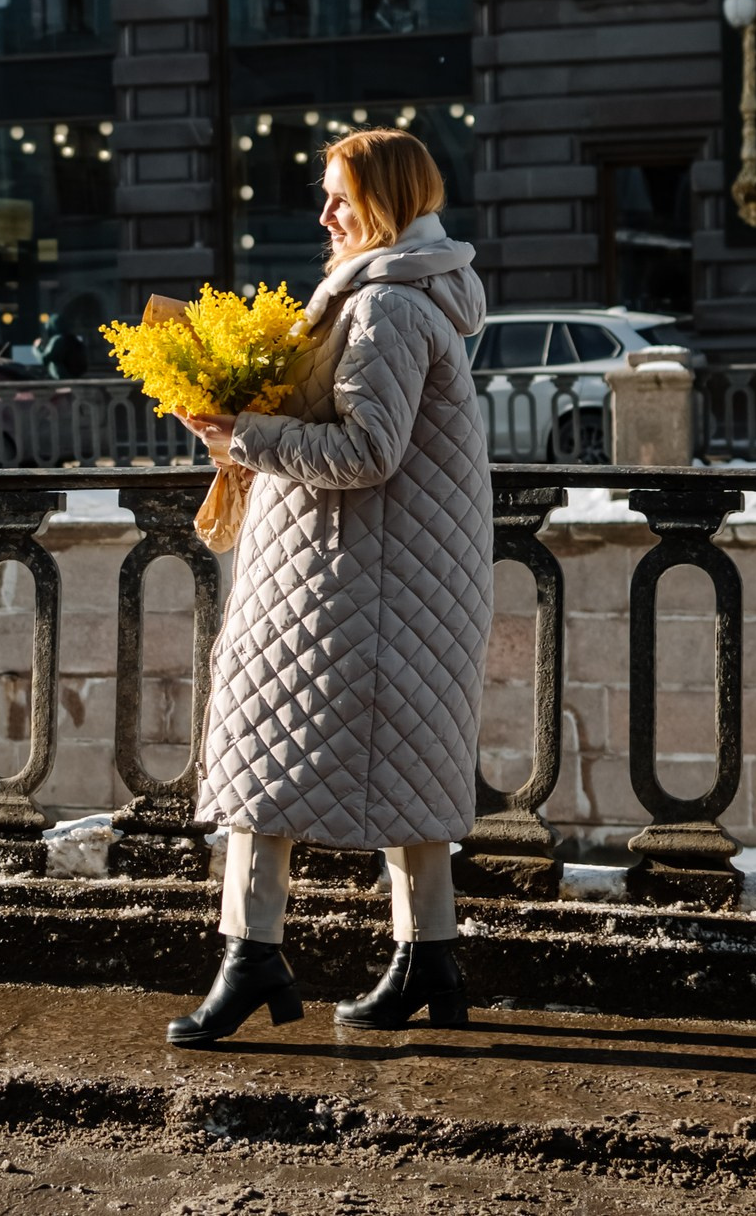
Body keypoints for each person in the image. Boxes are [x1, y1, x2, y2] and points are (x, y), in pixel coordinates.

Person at [170, 127, 493, 1046]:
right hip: (384, 574)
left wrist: (243, 436)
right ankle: (429, 958)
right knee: (408, 766)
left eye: (341, 198)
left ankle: (251, 955)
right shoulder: (403, 292)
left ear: (386, 203)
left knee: (257, 763)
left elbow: (367, 451)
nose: (324, 214)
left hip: (353, 579)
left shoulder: (386, 306)